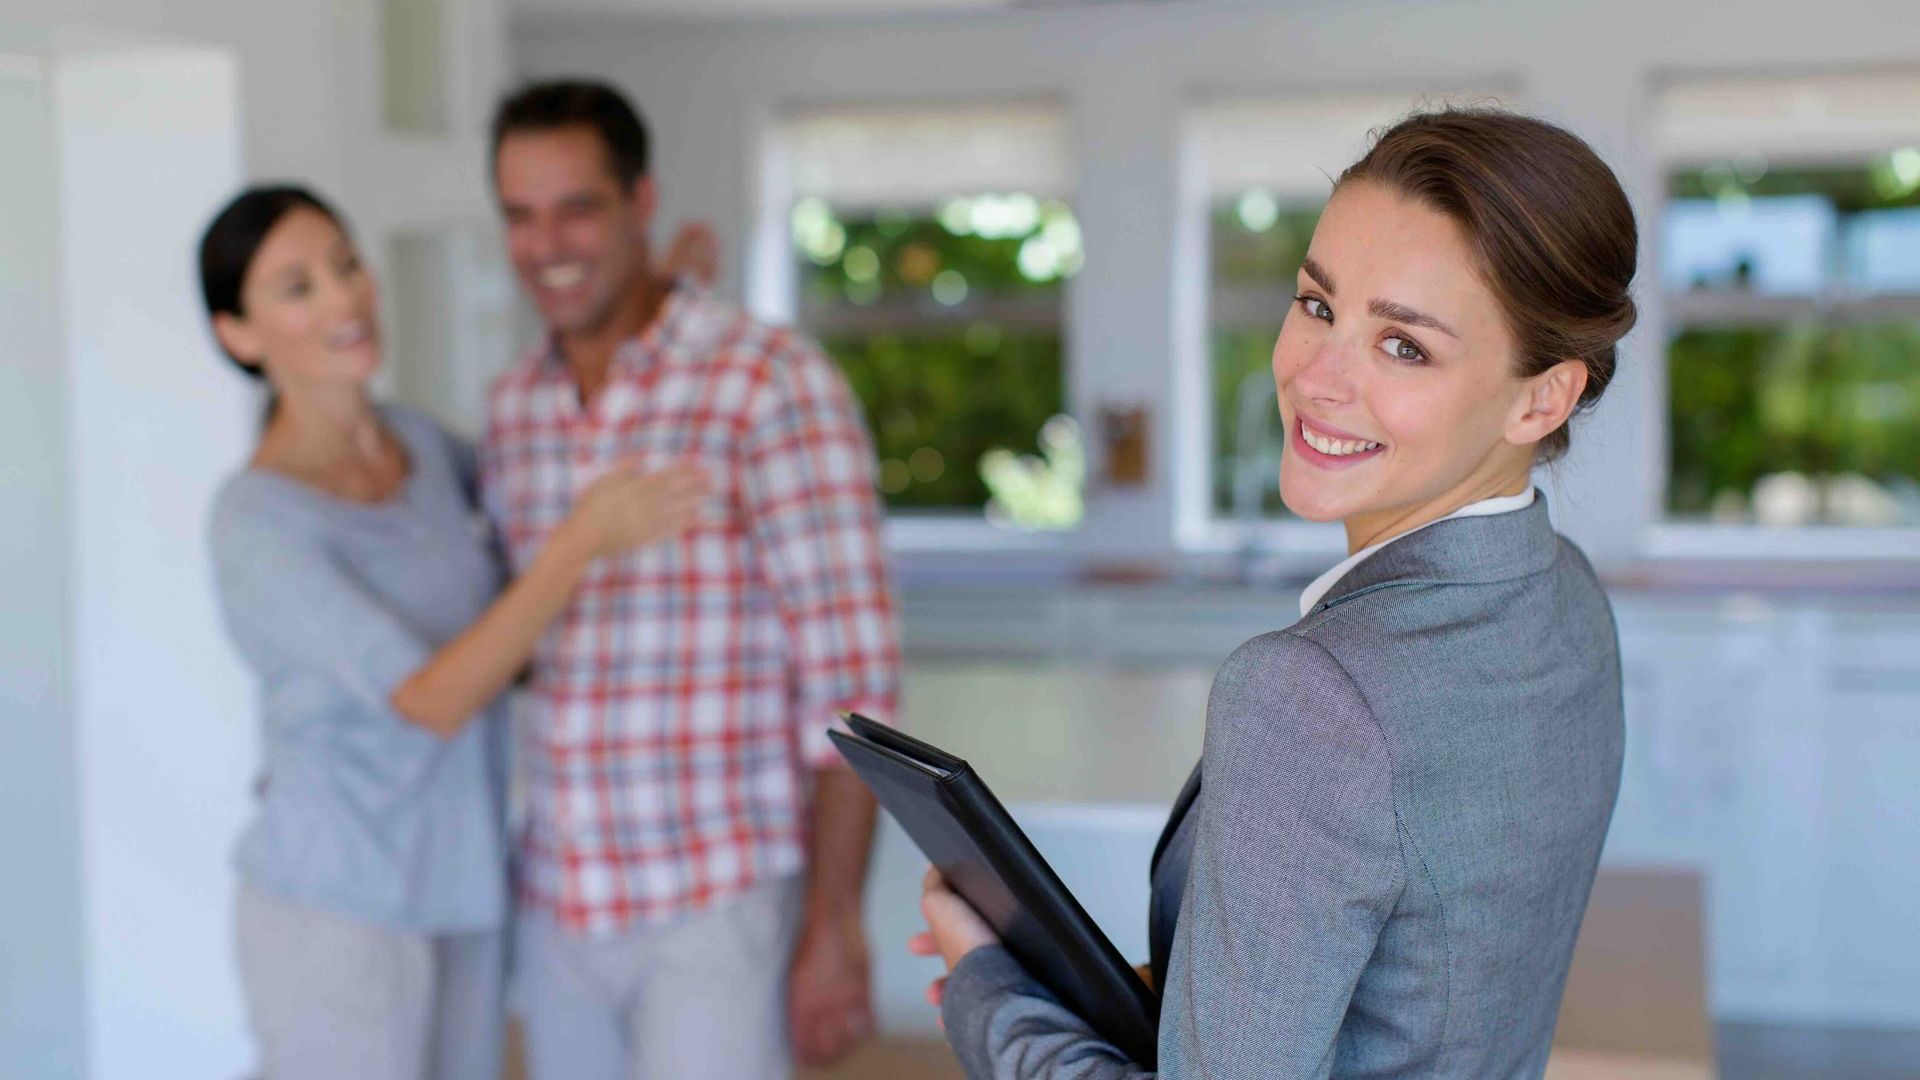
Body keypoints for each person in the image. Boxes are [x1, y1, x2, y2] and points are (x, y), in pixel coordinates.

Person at [914, 106, 1637, 1079]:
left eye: (1405, 346)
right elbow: (1425, 974)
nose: (1317, 377)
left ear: (1540, 397)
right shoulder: (1565, 596)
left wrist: (988, 991)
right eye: (1319, 304)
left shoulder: (1310, 697)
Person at [200, 185, 710, 1080]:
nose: (345, 298)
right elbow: (430, 697)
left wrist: (648, 305)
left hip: (464, 885)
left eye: (346, 265)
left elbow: (551, 472)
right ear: (239, 335)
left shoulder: (418, 444)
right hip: (338, 906)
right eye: (298, 286)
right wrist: (581, 545)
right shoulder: (257, 521)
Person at [480, 80, 902, 1079]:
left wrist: (835, 924)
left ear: (641, 201)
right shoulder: (514, 409)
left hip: (717, 901)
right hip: (558, 902)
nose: (548, 244)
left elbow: (855, 691)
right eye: (521, 215)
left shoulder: (766, 382)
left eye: (577, 207)